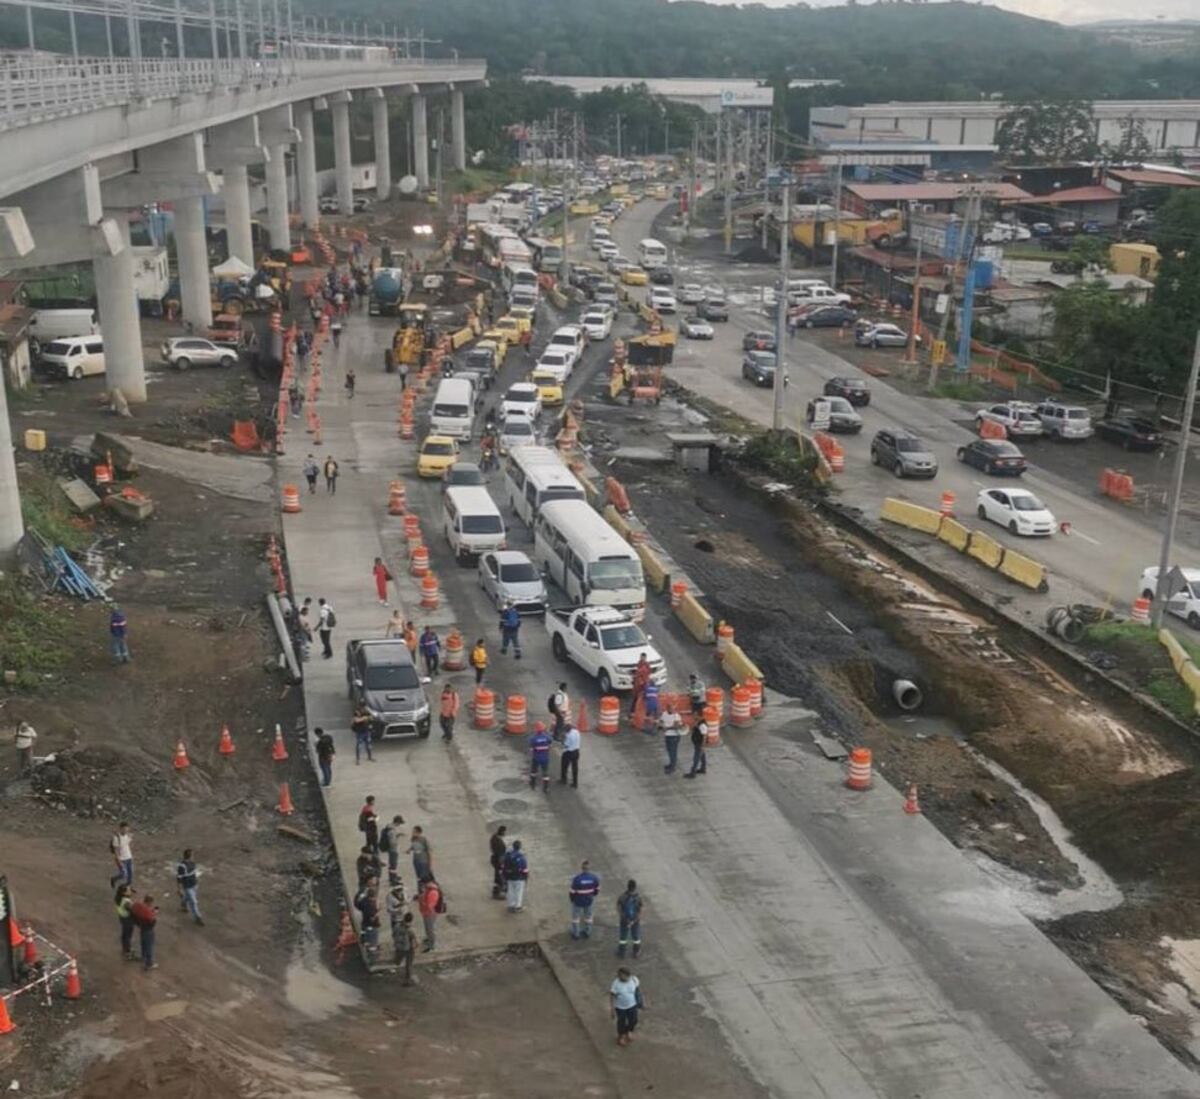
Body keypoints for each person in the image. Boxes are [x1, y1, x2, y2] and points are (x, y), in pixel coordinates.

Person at [610, 967, 643, 1045]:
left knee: (634, 1020)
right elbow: (612, 996)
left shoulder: (634, 980)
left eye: (625, 976)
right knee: (621, 1022)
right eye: (621, 976)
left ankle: (629, 1031)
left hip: (632, 1005)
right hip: (620, 1007)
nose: (623, 978)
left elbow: (637, 991)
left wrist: (640, 1003)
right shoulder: (616, 984)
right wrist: (612, 1009)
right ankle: (621, 1036)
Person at [569, 860, 600, 940]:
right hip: (589, 900)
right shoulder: (594, 878)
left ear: (582, 868)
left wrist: (572, 900)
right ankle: (587, 932)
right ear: (589, 868)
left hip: (578, 901)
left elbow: (572, 892)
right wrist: (592, 895)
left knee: (575, 918)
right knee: (588, 917)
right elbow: (597, 890)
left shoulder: (577, 879)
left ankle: (576, 934)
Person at [130, 894, 159, 971]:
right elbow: (152, 921)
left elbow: (132, 910)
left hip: (142, 927)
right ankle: (149, 963)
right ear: (150, 902)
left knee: (143, 943)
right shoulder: (147, 912)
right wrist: (154, 913)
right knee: (149, 946)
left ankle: (143, 957)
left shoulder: (137, 905)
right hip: (148, 930)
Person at [175, 849, 203, 926]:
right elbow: (179, 877)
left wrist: (197, 881)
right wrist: (179, 888)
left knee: (188, 897)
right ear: (190, 856)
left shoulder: (192, 863)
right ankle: (198, 917)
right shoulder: (182, 866)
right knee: (193, 902)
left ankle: (183, 904)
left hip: (194, 884)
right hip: (187, 886)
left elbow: (194, 873)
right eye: (192, 855)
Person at [616, 880, 643, 958]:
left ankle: (622, 952)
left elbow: (619, 909)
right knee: (636, 936)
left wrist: (625, 919)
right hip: (635, 920)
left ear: (628, 886)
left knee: (623, 937)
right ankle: (636, 952)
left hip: (625, 920)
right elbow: (640, 910)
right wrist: (635, 920)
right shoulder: (638, 898)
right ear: (635, 887)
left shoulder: (622, 897)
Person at [417, 876, 442, 952]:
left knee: (430, 929)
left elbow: (430, 905)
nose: (423, 885)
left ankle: (432, 945)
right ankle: (428, 938)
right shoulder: (429, 889)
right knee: (427, 927)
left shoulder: (433, 892)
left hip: (430, 913)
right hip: (426, 912)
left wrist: (422, 901)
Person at [503, 840, 529, 912]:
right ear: (520, 847)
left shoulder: (508, 856)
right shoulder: (521, 857)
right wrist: (526, 878)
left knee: (510, 891)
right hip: (519, 878)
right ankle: (518, 907)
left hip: (509, 877)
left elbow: (504, 867)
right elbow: (525, 869)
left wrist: (505, 876)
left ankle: (511, 906)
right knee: (518, 892)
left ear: (513, 846)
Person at [394, 908, 417, 984]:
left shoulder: (397, 926)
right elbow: (413, 940)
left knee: (399, 956)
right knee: (409, 964)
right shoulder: (411, 930)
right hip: (408, 948)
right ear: (411, 920)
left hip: (399, 946)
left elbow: (394, 935)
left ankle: (397, 962)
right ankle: (408, 979)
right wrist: (415, 946)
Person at [659, 702, 684, 774]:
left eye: (673, 708)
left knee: (673, 752)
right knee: (669, 750)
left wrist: (666, 728)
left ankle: (673, 767)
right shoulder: (664, 714)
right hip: (667, 735)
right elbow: (661, 721)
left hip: (674, 736)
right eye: (670, 708)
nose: (672, 710)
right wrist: (661, 725)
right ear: (667, 708)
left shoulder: (676, 716)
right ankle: (671, 763)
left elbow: (676, 726)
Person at [358, 879, 380, 959]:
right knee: (372, 942)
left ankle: (364, 942)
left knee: (365, 936)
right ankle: (372, 957)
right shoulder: (371, 907)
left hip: (365, 922)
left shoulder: (364, 901)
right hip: (371, 926)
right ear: (373, 897)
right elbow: (372, 919)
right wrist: (378, 911)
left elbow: (359, 905)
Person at [529, 722, 552, 793]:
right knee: (545, 772)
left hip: (536, 758)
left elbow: (531, 748)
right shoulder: (547, 737)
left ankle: (532, 784)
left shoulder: (533, 738)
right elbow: (550, 742)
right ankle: (546, 788)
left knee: (534, 771)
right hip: (545, 758)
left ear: (536, 730)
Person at [114, 883, 136, 960]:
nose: (130, 891)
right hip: (128, 919)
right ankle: (127, 952)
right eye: (128, 890)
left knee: (124, 934)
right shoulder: (126, 902)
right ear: (124, 893)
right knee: (128, 936)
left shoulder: (118, 898)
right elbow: (132, 911)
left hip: (122, 917)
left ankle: (125, 949)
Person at [109, 822, 134, 888]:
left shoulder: (128, 836)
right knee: (124, 874)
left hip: (129, 857)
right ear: (120, 829)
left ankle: (127, 887)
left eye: (127, 829)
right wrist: (118, 860)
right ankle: (114, 879)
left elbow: (127, 842)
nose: (125, 831)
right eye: (124, 829)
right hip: (121, 859)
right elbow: (115, 850)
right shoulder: (116, 838)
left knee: (130, 875)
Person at [685, 713, 708, 779]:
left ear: (699, 715)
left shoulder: (703, 725)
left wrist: (702, 746)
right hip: (697, 743)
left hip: (699, 744)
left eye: (695, 715)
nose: (693, 716)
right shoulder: (698, 723)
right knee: (702, 755)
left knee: (696, 758)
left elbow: (704, 736)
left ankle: (693, 773)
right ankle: (703, 768)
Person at [560, 722, 581, 788]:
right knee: (575, 768)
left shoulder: (568, 736)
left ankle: (564, 780)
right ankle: (575, 783)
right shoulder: (576, 731)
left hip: (569, 753)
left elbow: (565, 745)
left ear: (567, 730)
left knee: (564, 766)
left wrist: (562, 741)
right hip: (576, 751)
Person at [489, 825, 508, 900]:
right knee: (500, 877)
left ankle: (496, 891)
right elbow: (500, 855)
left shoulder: (493, 837)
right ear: (503, 832)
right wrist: (502, 865)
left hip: (494, 859)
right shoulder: (499, 843)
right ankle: (497, 893)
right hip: (498, 861)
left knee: (497, 876)